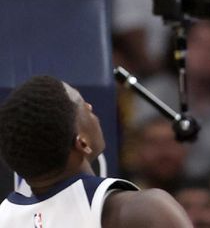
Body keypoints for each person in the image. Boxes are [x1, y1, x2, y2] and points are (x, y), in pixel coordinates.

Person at [0, 75, 191, 228]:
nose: (90, 106)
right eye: (81, 105)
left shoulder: (5, 217)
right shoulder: (142, 211)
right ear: (82, 142)